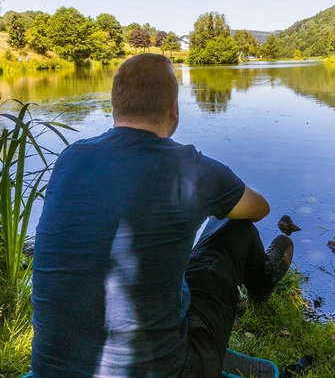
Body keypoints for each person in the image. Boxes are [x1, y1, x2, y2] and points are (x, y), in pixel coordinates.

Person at [31, 54, 294, 378]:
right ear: (173, 109)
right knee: (235, 227)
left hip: (49, 369)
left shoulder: (70, 158)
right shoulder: (189, 166)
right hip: (169, 370)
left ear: (115, 106)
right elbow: (260, 209)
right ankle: (262, 282)